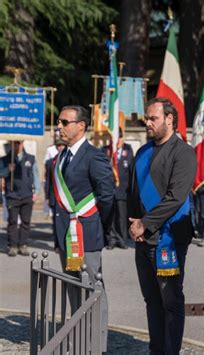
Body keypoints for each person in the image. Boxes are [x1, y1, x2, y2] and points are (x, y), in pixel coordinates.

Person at [128, 97, 197, 355]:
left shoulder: (184, 153)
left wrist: (144, 223)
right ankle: (156, 349)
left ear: (170, 119)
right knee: (151, 300)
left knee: (170, 301)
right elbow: (133, 191)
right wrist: (134, 224)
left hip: (169, 239)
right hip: (142, 238)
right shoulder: (142, 152)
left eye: (153, 118)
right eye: (147, 118)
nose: (147, 122)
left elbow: (175, 197)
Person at [54, 105, 115, 352]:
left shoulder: (94, 155)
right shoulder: (62, 155)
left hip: (85, 235)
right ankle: (80, 338)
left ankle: (97, 344)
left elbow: (107, 195)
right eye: (59, 121)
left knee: (93, 290)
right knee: (73, 287)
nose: (59, 126)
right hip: (66, 236)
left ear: (81, 126)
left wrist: (100, 226)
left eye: (64, 122)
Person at [0, 141, 41, 257]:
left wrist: (37, 191)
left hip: (27, 195)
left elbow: (35, 174)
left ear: (23, 144)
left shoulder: (30, 158)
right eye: (15, 143)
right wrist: (8, 170)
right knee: (12, 222)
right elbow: (0, 172)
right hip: (12, 196)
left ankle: (23, 245)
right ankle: (13, 246)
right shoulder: (5, 159)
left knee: (25, 222)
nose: (17, 146)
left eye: (19, 143)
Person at [102, 128, 134, 249]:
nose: (118, 140)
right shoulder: (105, 150)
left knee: (121, 216)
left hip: (123, 189)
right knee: (111, 216)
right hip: (108, 190)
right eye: (115, 138)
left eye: (119, 137)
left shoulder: (128, 149)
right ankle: (111, 239)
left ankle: (122, 239)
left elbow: (131, 170)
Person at [44, 138, 67, 251]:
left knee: (66, 221)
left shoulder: (70, 161)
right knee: (56, 222)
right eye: (59, 146)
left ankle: (66, 242)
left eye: (62, 145)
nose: (60, 147)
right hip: (54, 196)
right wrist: (47, 196)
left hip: (67, 197)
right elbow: (48, 180)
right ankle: (57, 244)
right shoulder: (50, 162)